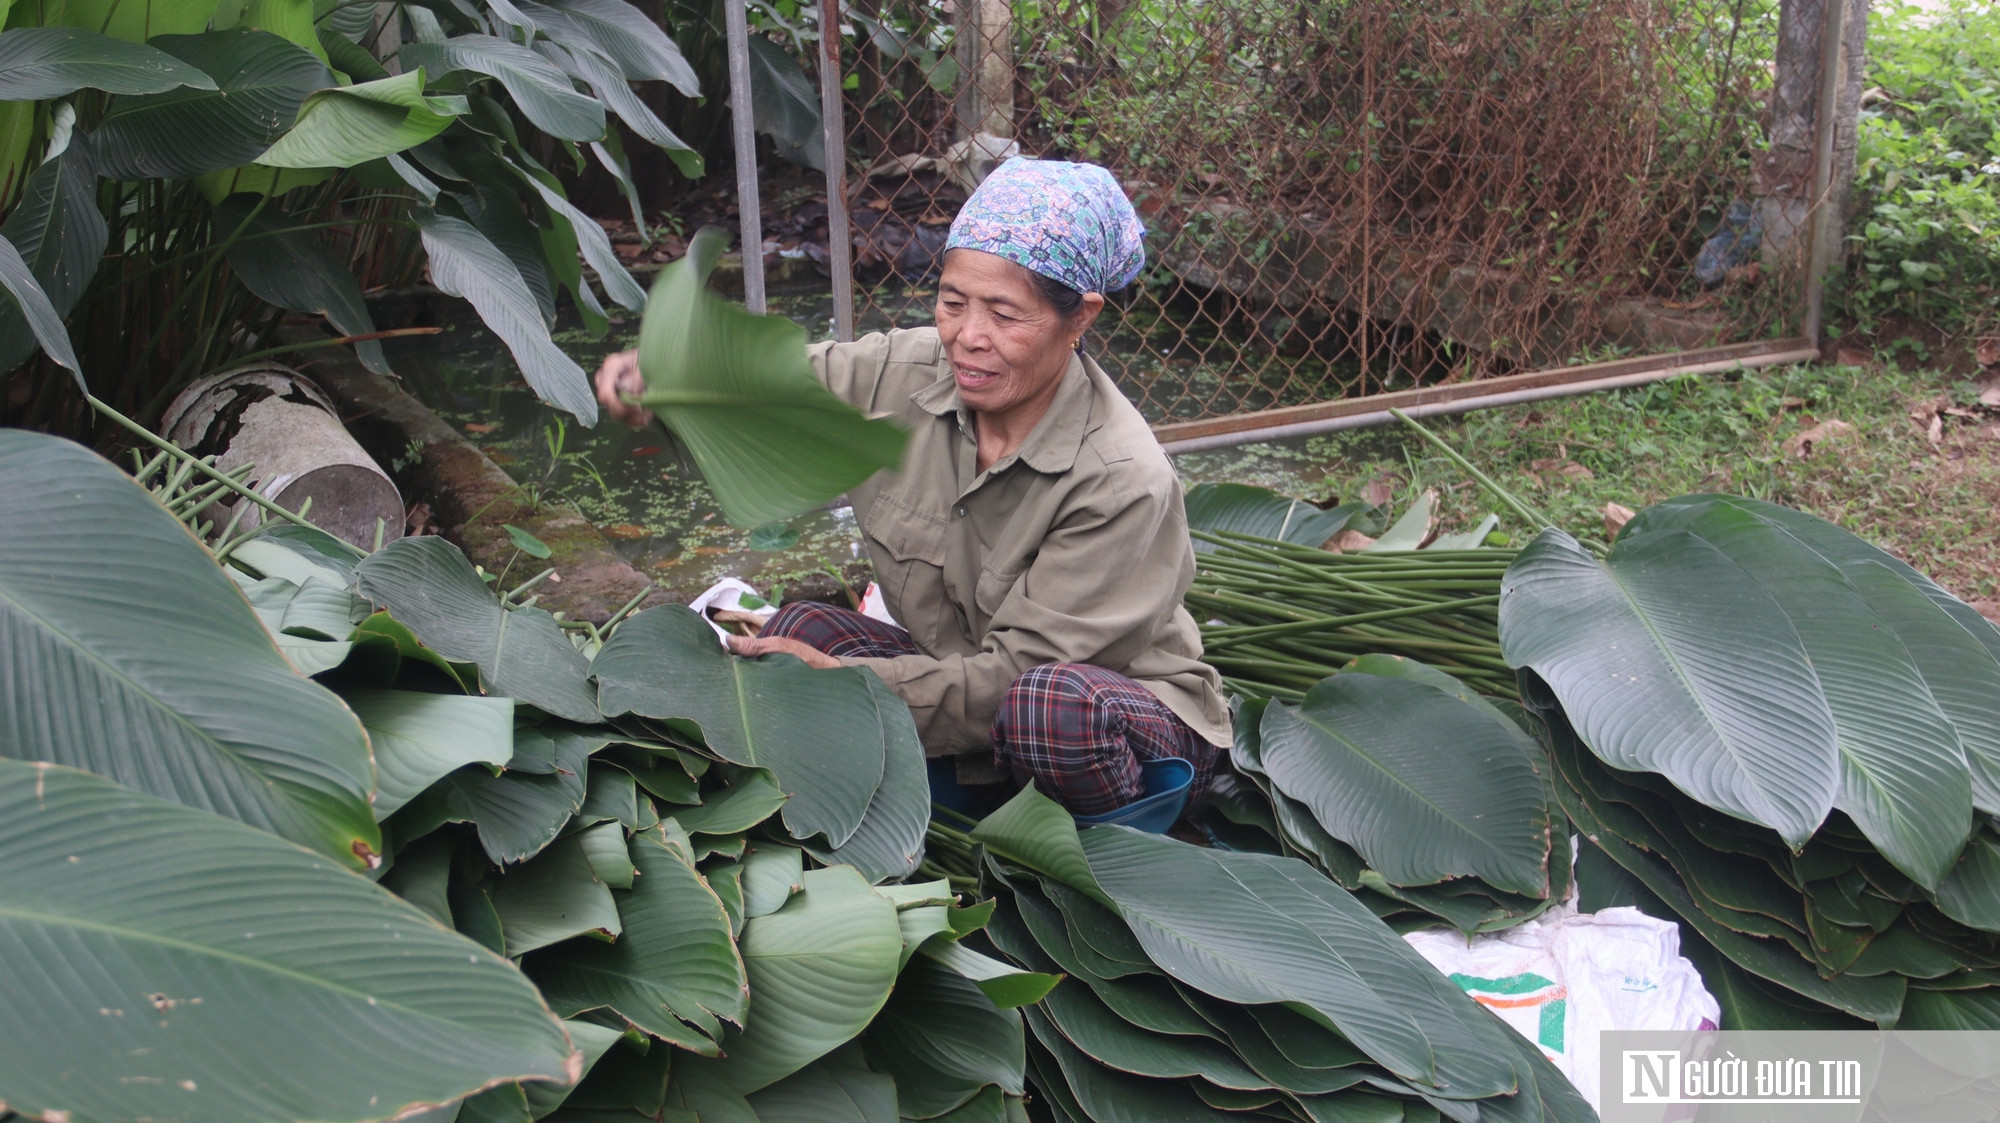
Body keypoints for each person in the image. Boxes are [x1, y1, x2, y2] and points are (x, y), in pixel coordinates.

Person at [594, 157, 1229, 817]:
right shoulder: (910, 370)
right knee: (802, 628)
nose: (967, 337)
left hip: (1113, 721)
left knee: (1048, 709)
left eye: (1005, 315)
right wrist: (669, 384)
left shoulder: (1121, 478)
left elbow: (1010, 676)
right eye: (953, 303)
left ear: (1080, 318)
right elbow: (784, 384)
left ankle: (1112, 852)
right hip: (973, 688)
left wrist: (850, 686)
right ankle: (959, 805)